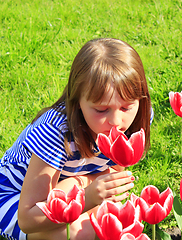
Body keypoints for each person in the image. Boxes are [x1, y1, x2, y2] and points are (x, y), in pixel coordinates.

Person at [0, 38, 153, 240]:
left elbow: (113, 172)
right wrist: (87, 196)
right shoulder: (55, 132)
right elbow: (27, 220)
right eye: (101, 109)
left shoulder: (139, 115)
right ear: (78, 101)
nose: (116, 121)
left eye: (126, 107)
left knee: (120, 220)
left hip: (70, 191)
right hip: (17, 199)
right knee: (85, 232)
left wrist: (82, 185)